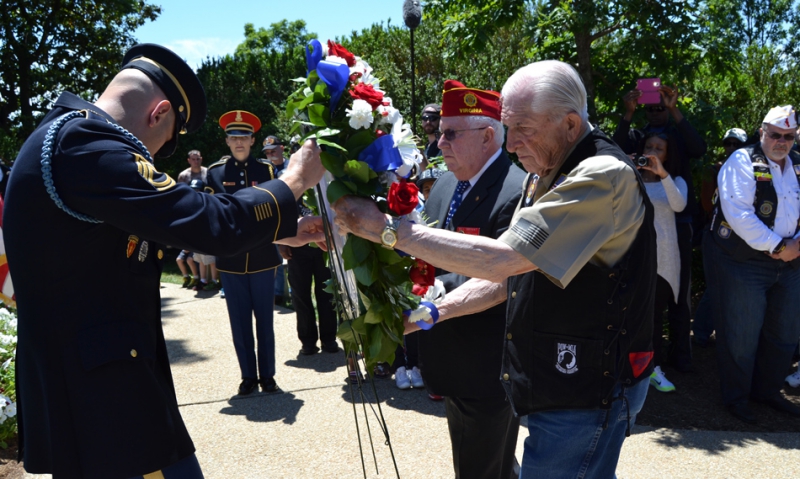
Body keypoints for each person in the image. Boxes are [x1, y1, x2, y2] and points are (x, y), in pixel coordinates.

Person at [3, 44, 325, 479]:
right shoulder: (85, 145)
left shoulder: (66, 138)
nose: (154, 160)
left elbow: (159, 228)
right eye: (163, 146)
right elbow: (209, 223)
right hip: (104, 405)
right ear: (158, 113)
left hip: (101, 390)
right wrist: (294, 180)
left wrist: (274, 227)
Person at [333, 60, 656, 479]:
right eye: (509, 126)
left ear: (570, 124)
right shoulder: (546, 172)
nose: (510, 143)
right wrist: (429, 313)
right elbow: (511, 278)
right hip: (559, 379)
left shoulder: (601, 175)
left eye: (523, 128)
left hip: (588, 386)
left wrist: (388, 231)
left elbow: (504, 259)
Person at [414, 79, 527, 479]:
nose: (438, 141)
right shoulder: (446, 182)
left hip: (487, 366)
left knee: (480, 468)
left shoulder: (517, 191)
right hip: (452, 354)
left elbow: (500, 280)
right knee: (491, 464)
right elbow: (425, 254)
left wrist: (430, 305)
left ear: (488, 136)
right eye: (440, 131)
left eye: (450, 133)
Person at [705, 105, 800, 423]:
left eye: (788, 136)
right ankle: (737, 399)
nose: (781, 141)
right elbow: (739, 214)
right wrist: (778, 246)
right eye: (775, 134)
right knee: (741, 333)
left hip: (791, 261)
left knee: (785, 332)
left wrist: (794, 246)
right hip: (743, 261)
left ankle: (767, 392)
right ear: (762, 132)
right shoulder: (742, 161)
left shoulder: (798, 164)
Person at [614, 84, 707, 372]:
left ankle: (681, 356)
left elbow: (699, 148)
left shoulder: (678, 134)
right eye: (650, 107)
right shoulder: (639, 137)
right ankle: (647, 359)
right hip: (644, 226)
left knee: (678, 292)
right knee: (647, 297)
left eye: (660, 107)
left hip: (678, 222)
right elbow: (614, 151)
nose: (655, 112)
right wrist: (627, 115)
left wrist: (674, 109)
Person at [207, 110, 285, 396]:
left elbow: (274, 208)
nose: (239, 142)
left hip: (263, 256)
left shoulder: (266, 170)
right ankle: (248, 376)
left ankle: (268, 376)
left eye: (244, 136)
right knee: (239, 322)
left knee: (265, 320)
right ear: (226, 141)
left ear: (252, 140)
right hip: (232, 258)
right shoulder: (215, 173)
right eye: (233, 137)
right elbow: (211, 214)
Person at [636, 133, 687, 393]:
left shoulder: (676, 181)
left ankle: (653, 369)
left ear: (668, 155)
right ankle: (633, 367)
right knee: (634, 315)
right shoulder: (631, 178)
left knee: (655, 317)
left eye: (660, 148)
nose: (653, 151)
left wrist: (662, 174)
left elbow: (679, 205)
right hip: (634, 258)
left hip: (664, 260)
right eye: (649, 146)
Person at [694, 127, 749, 347]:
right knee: (716, 285)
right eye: (729, 143)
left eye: (738, 144)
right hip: (717, 233)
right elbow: (707, 204)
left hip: (744, 236)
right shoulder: (713, 170)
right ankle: (700, 333)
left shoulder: (753, 170)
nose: (732, 148)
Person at [278, 191, 338, 356]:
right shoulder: (291, 184)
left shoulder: (323, 181)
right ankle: (308, 341)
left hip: (323, 246)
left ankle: (329, 338)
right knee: (300, 295)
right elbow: (282, 213)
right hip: (297, 248)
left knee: (327, 292)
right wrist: (282, 243)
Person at [187, 179, 221, 291]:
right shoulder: (191, 201)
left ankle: (214, 281)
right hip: (198, 236)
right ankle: (203, 280)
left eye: (197, 189)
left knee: (211, 260)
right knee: (201, 260)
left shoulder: (206, 200)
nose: (195, 191)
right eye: (193, 189)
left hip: (207, 235)